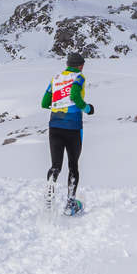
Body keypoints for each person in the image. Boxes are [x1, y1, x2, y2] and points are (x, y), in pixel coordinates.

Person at [42, 50, 95, 215]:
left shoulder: (55, 78)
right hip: (73, 127)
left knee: (56, 165)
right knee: (73, 166)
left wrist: (59, 108)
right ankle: (70, 204)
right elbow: (74, 95)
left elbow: (44, 102)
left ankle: (50, 195)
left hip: (55, 125)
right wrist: (87, 108)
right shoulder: (79, 77)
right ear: (80, 65)